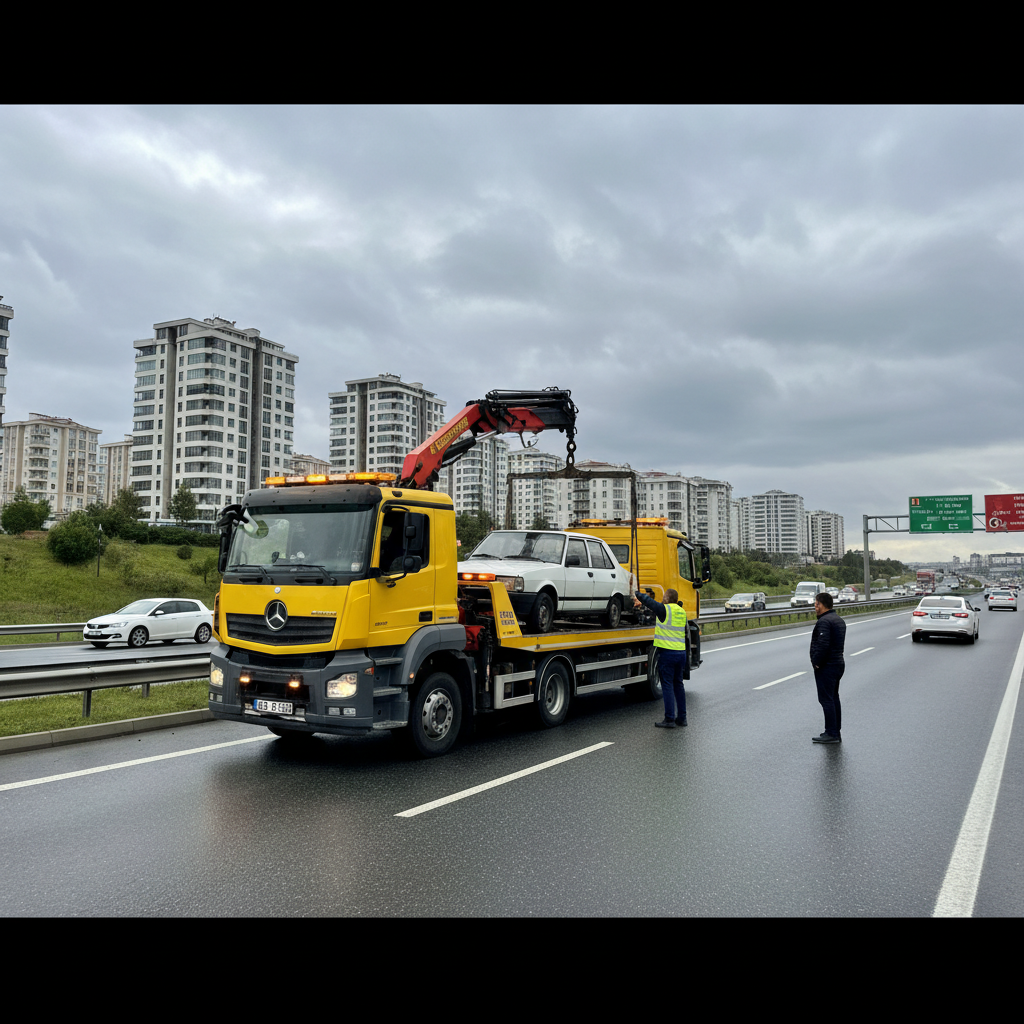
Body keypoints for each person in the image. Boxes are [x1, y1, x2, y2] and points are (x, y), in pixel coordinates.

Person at [634, 588, 688, 728]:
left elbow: (649, 602)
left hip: (668, 654)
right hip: (681, 653)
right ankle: (682, 718)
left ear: (667, 599)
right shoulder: (681, 611)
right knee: (678, 685)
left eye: (664, 597)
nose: (662, 599)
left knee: (667, 686)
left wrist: (636, 593)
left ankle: (669, 719)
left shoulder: (665, 610)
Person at [810, 591, 846, 744]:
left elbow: (823, 645)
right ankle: (835, 731)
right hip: (838, 663)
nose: (815, 607)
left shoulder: (824, 622)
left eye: (816, 604)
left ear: (822, 605)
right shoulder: (838, 620)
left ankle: (831, 733)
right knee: (834, 698)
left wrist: (817, 662)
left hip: (828, 666)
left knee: (826, 699)